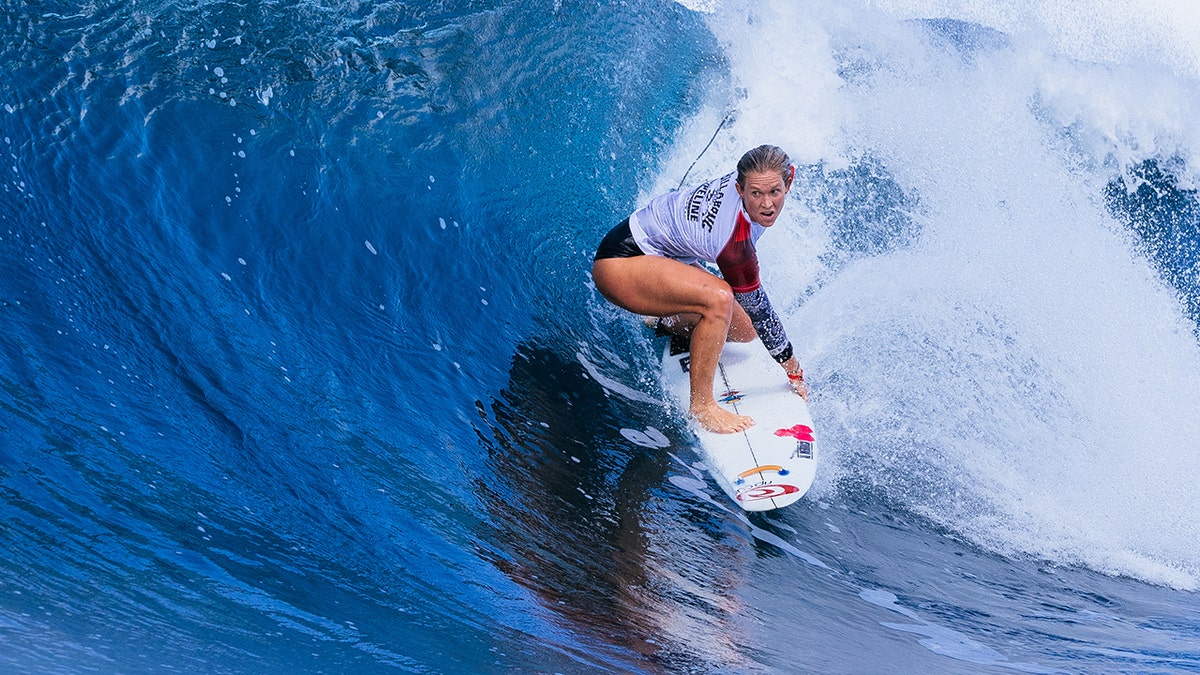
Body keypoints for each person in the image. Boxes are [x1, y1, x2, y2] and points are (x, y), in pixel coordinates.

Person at [593, 144, 807, 434]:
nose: (766, 204)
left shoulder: (754, 177)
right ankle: (703, 407)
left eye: (774, 192)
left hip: (664, 260)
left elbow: (754, 321)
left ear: (789, 181)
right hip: (622, 263)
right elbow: (760, 309)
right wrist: (793, 369)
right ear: (740, 188)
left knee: (743, 330)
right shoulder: (734, 243)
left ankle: (666, 319)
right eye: (756, 194)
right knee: (719, 298)